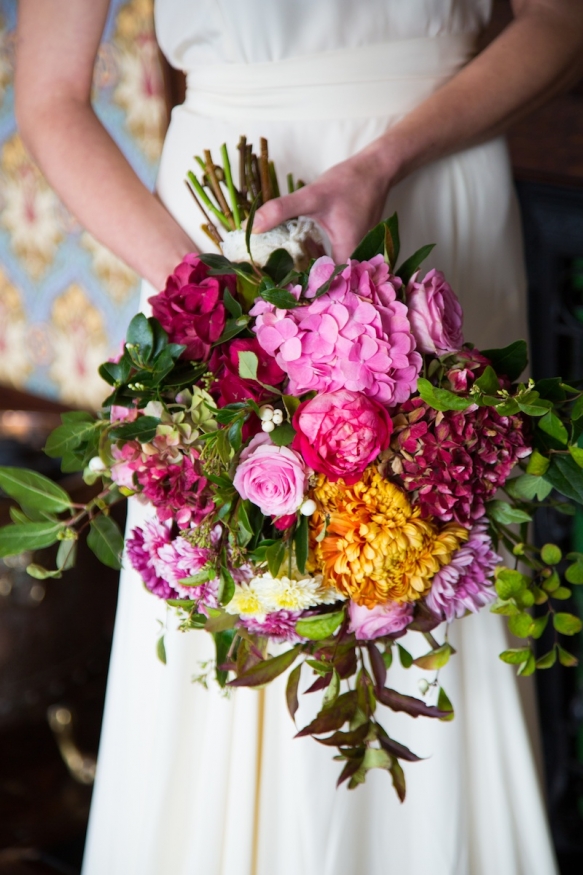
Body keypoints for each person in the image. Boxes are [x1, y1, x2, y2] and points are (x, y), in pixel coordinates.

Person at [15, 2, 583, 874]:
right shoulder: (207, 285)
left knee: (437, 584)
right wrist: (205, 303)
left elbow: (559, 21)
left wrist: (388, 158)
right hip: (217, 244)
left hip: (440, 185)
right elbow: (52, 96)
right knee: (242, 613)